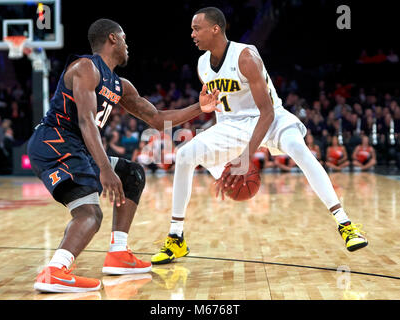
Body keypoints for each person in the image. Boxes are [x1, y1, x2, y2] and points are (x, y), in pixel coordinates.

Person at [151, 7, 368, 265]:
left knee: (297, 148)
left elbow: (266, 112)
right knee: (186, 154)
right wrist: (206, 109)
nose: (192, 34)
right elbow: (219, 107)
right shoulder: (202, 66)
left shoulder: (245, 57)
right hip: (232, 124)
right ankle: (176, 238)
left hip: (270, 117)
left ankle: (345, 223)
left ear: (215, 29)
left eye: (196, 29)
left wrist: (245, 158)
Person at [27, 18, 220, 293]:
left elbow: (157, 118)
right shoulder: (85, 68)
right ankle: (54, 270)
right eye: (125, 38)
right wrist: (105, 169)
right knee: (90, 214)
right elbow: (85, 121)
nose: (128, 45)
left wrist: (199, 108)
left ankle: (118, 252)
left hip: (77, 149)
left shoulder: (120, 85)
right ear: (113, 39)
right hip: (55, 141)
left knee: (132, 174)